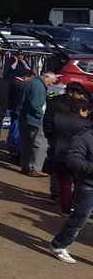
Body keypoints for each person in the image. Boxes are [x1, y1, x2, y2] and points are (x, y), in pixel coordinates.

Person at [48, 106, 93, 264]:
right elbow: (73, 160)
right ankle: (58, 245)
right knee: (79, 218)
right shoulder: (84, 137)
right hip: (88, 185)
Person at [46, 84, 92, 215]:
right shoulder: (87, 124)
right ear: (83, 110)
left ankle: (65, 207)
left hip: (59, 153)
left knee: (64, 182)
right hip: (80, 156)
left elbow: (49, 129)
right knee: (79, 183)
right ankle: (76, 205)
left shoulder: (59, 117)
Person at [19, 70, 57, 176]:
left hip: (24, 117)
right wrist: (41, 116)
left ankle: (25, 166)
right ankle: (35, 168)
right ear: (46, 77)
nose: (51, 84)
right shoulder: (39, 86)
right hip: (34, 119)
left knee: (26, 143)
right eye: (52, 81)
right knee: (41, 144)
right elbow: (36, 105)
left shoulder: (30, 82)